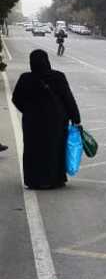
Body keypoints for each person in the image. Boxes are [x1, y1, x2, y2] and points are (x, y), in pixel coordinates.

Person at [11, 49, 81, 189]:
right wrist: (76, 118)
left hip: (32, 122)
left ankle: (34, 180)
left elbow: (16, 99)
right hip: (56, 121)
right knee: (55, 149)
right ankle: (55, 180)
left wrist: (28, 111)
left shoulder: (25, 79)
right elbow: (68, 99)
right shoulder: (58, 77)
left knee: (33, 150)